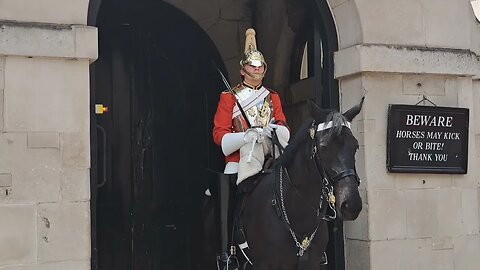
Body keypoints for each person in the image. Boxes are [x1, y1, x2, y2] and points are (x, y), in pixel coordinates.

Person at [211, 28, 290, 270]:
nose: (257, 71)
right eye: (252, 67)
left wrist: (273, 131)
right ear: (243, 70)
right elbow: (219, 135)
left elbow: (284, 125)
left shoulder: (272, 96)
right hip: (240, 155)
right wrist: (245, 136)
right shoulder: (229, 97)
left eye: (260, 67)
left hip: (269, 152)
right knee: (229, 187)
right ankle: (226, 252)